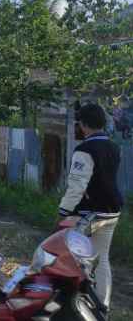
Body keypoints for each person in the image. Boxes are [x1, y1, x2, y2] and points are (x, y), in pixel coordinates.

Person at [58, 103, 123, 313]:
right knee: (101, 258)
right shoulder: (114, 146)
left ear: (83, 124)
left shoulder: (84, 149)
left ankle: (75, 306)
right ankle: (101, 306)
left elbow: (77, 186)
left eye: (79, 124)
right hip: (112, 210)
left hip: (90, 212)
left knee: (73, 257)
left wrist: (63, 211)